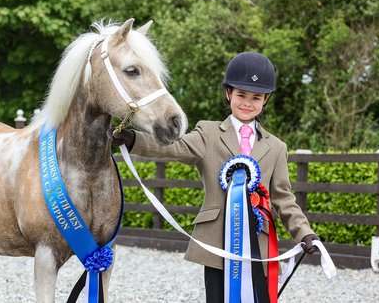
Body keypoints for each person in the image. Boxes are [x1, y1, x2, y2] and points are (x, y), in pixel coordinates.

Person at [108, 52, 319, 303]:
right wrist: (134, 140)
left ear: (266, 100)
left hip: (258, 245)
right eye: (241, 95)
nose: (247, 103)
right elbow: (175, 147)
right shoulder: (208, 132)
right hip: (217, 242)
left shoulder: (276, 147)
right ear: (228, 93)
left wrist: (305, 233)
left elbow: (284, 199)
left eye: (256, 98)